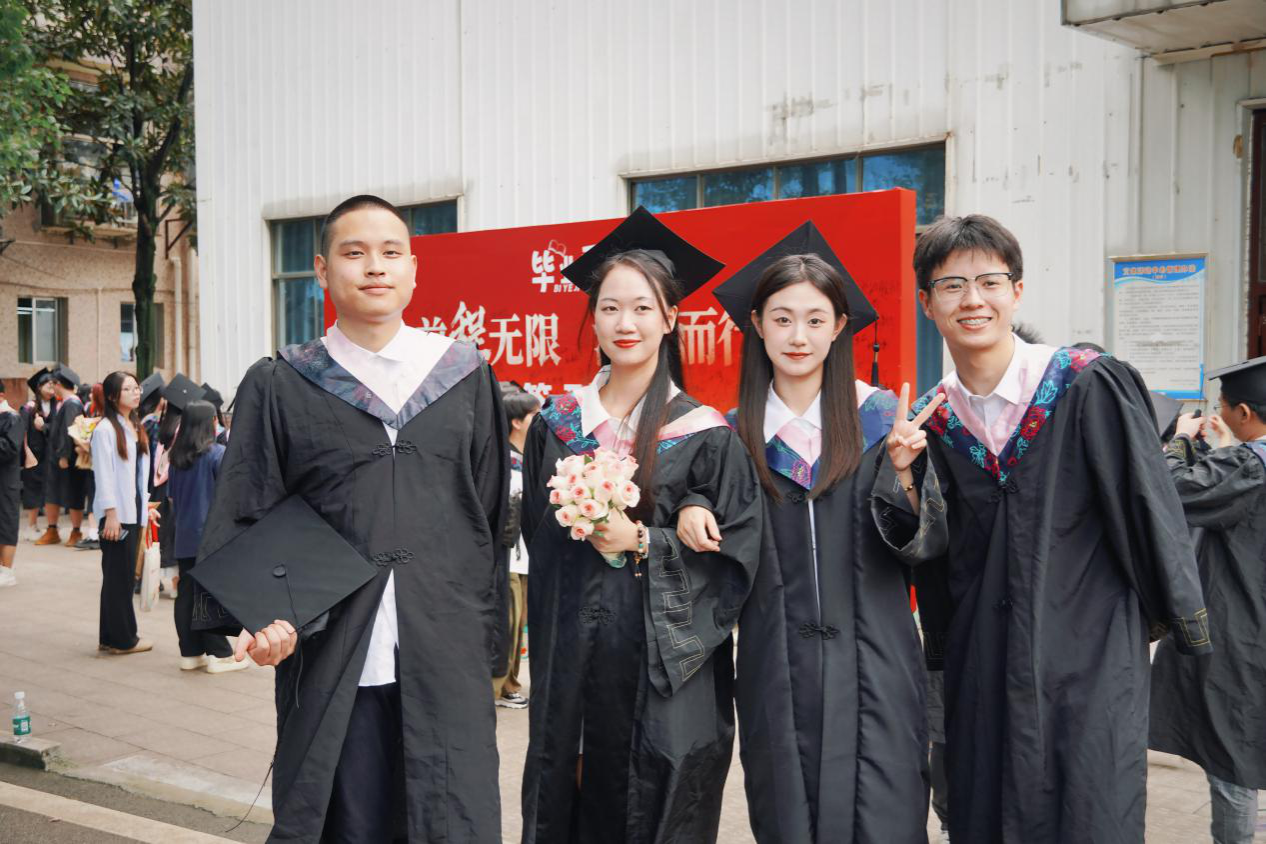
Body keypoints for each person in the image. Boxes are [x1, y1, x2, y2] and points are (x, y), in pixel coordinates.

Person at [871, 214, 1211, 843]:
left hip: (1089, 652)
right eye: (951, 285)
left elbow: (1148, 505)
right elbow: (934, 556)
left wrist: (1172, 620)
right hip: (984, 655)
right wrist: (904, 475)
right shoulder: (929, 423)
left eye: (990, 282)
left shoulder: (1085, 383)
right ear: (926, 302)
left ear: (1017, 291)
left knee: (1089, 810)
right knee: (988, 809)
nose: (973, 299)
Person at [191, 194, 510, 842]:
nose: (374, 266)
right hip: (333, 652)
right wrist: (260, 617)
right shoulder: (283, 381)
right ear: (322, 269)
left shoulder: (463, 374)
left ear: (414, 269)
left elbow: (489, 513)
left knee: (452, 819)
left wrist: (485, 636)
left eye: (391, 252)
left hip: (443, 651)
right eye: (354, 252)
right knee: (344, 823)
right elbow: (247, 504)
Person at [685, 224, 943, 843]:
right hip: (776, 662)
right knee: (786, 816)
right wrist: (691, 505)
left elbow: (926, 545)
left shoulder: (884, 422)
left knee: (884, 816)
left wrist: (905, 477)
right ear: (756, 325)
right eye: (782, 319)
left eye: (814, 319)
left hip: (877, 657)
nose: (798, 336)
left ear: (838, 327)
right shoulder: (728, 436)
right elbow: (704, 527)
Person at [519, 207, 763, 844]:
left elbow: (736, 558)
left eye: (642, 308)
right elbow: (537, 541)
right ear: (593, 317)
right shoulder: (558, 424)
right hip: (573, 651)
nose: (624, 324)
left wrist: (647, 541)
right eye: (609, 308)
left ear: (671, 318)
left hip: (661, 671)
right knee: (565, 797)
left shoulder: (705, 433)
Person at [1150, 356, 1266, 844]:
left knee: (1232, 755)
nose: (1220, 414)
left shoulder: (1249, 465)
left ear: (1244, 412)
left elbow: (1171, 489)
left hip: (1244, 626)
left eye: (1223, 407)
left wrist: (1179, 439)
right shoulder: (1245, 461)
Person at [165, 399, 244, 674]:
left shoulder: (176, 458)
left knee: (187, 593)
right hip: (212, 535)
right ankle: (219, 654)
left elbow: (172, 498)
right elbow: (230, 496)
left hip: (184, 533)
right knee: (211, 593)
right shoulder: (217, 454)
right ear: (211, 422)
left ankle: (190, 653)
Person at [89, 371, 153, 655]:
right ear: (113, 396)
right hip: (117, 515)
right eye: (128, 389)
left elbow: (138, 475)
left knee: (119, 577)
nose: (136, 393)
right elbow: (104, 475)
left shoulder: (134, 425)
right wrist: (111, 514)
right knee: (120, 579)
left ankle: (109, 636)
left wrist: (145, 507)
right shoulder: (105, 429)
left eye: (137, 388)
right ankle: (123, 639)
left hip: (133, 511)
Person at [494, 386, 539, 710]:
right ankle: (499, 687)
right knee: (507, 620)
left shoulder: (527, 458)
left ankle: (510, 681)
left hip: (526, 556)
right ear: (517, 422)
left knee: (519, 618)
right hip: (508, 555)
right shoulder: (505, 460)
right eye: (534, 414)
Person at [35, 364, 87, 546]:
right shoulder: (63, 403)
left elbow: (69, 431)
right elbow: (58, 429)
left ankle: (76, 531)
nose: (52, 387)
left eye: (53, 384)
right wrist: (45, 427)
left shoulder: (72, 404)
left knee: (73, 494)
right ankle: (52, 530)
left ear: (58, 384)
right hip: (56, 457)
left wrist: (64, 456)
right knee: (53, 493)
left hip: (67, 459)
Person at [20, 368, 57, 542]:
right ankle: (31, 525)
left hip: (51, 455)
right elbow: (22, 433)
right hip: (34, 455)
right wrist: (26, 453)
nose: (52, 388)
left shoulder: (57, 406)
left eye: (53, 385)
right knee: (33, 490)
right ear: (39, 387)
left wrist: (44, 426)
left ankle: (50, 527)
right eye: (48, 384)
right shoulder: (28, 408)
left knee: (48, 490)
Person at [0, 381, 25, 588]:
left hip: (6, 481)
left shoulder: (12, 417)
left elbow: (10, 448)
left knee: (7, 523)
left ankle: (7, 571)